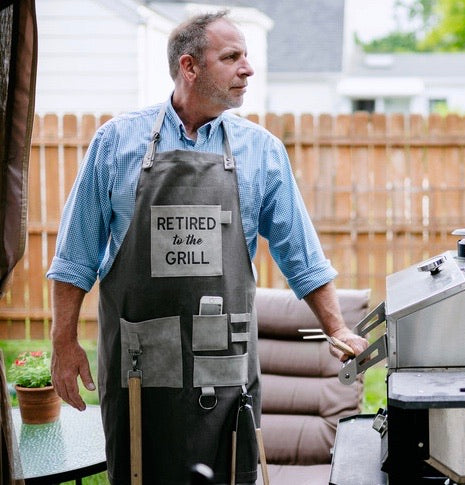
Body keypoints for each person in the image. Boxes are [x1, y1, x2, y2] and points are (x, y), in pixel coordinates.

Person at [47, 10, 368, 485]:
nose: (248, 69)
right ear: (190, 66)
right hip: (139, 371)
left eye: (246, 57)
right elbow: (76, 254)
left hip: (225, 369)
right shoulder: (117, 142)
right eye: (232, 57)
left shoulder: (261, 151)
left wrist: (338, 329)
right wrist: (63, 341)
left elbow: (301, 255)